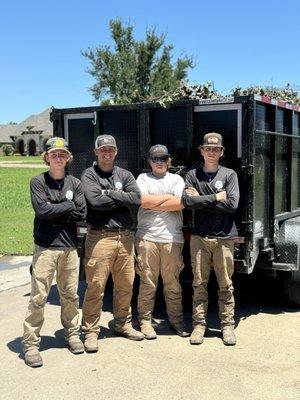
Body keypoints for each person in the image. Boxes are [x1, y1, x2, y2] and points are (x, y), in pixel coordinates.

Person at [23, 137, 86, 368]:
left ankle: (72, 334)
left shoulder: (75, 183)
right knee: (38, 297)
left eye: (62, 154)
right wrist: (64, 207)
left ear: (68, 158)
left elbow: (80, 213)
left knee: (70, 295)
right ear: (46, 158)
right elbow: (42, 211)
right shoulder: (38, 182)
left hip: (69, 248)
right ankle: (31, 344)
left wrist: (54, 208)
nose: (58, 157)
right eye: (54, 154)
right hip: (45, 248)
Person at [81, 134, 144, 353]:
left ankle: (122, 324)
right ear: (96, 152)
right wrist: (119, 197)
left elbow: (136, 198)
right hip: (100, 237)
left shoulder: (124, 174)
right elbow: (94, 201)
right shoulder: (89, 175)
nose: (107, 153)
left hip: (125, 237)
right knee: (96, 286)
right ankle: (90, 331)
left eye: (111, 150)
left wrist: (108, 193)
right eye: (103, 150)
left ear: (116, 152)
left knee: (126, 284)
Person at [182, 132, 239, 346]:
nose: (211, 152)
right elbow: (188, 202)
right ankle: (199, 326)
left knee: (225, 285)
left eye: (216, 149)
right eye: (208, 148)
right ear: (202, 151)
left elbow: (232, 205)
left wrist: (200, 199)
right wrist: (215, 197)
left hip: (224, 237)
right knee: (199, 283)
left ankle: (227, 327)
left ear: (222, 152)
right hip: (199, 237)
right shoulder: (192, 175)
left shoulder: (229, 175)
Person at [135, 144, 189, 339]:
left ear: (169, 161)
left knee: (172, 283)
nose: (159, 162)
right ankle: (145, 322)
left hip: (172, 239)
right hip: (147, 238)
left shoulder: (177, 179)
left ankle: (176, 321)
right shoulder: (142, 178)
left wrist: (155, 200)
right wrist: (167, 198)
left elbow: (180, 203)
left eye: (163, 158)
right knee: (148, 282)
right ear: (149, 161)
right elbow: (142, 201)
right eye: (155, 159)